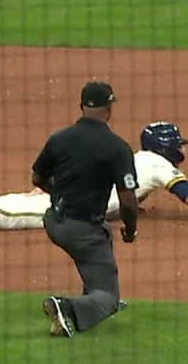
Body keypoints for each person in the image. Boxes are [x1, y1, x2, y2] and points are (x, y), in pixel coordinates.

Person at [0, 121, 188, 230]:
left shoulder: (139, 159)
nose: (180, 149)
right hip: (68, 205)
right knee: (2, 215)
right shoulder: (158, 164)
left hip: (68, 194)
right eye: (177, 143)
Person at [33, 81, 138, 338]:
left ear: (81, 107)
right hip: (82, 230)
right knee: (109, 299)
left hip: (54, 221)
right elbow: (127, 199)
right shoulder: (117, 147)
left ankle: (95, 292)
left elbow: (37, 178)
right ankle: (69, 307)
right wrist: (131, 228)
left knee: (102, 233)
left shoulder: (59, 139)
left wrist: (59, 194)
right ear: (109, 108)